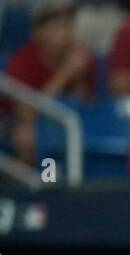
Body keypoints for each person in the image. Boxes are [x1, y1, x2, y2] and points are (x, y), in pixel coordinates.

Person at [4, 0, 96, 167]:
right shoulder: (23, 60)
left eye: (68, 26)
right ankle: (44, 185)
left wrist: (79, 77)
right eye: (55, 28)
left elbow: (85, 105)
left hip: (67, 123)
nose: (64, 34)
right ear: (37, 33)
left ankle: (82, 185)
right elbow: (26, 114)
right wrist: (65, 75)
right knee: (26, 136)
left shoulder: (79, 57)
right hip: (26, 124)